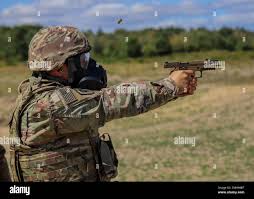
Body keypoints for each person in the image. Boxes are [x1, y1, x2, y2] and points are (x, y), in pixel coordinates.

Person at [9, 26, 197, 182]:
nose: (88, 65)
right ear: (59, 68)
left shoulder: (33, 91)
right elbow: (116, 100)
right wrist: (171, 85)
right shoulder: (52, 105)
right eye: (81, 60)